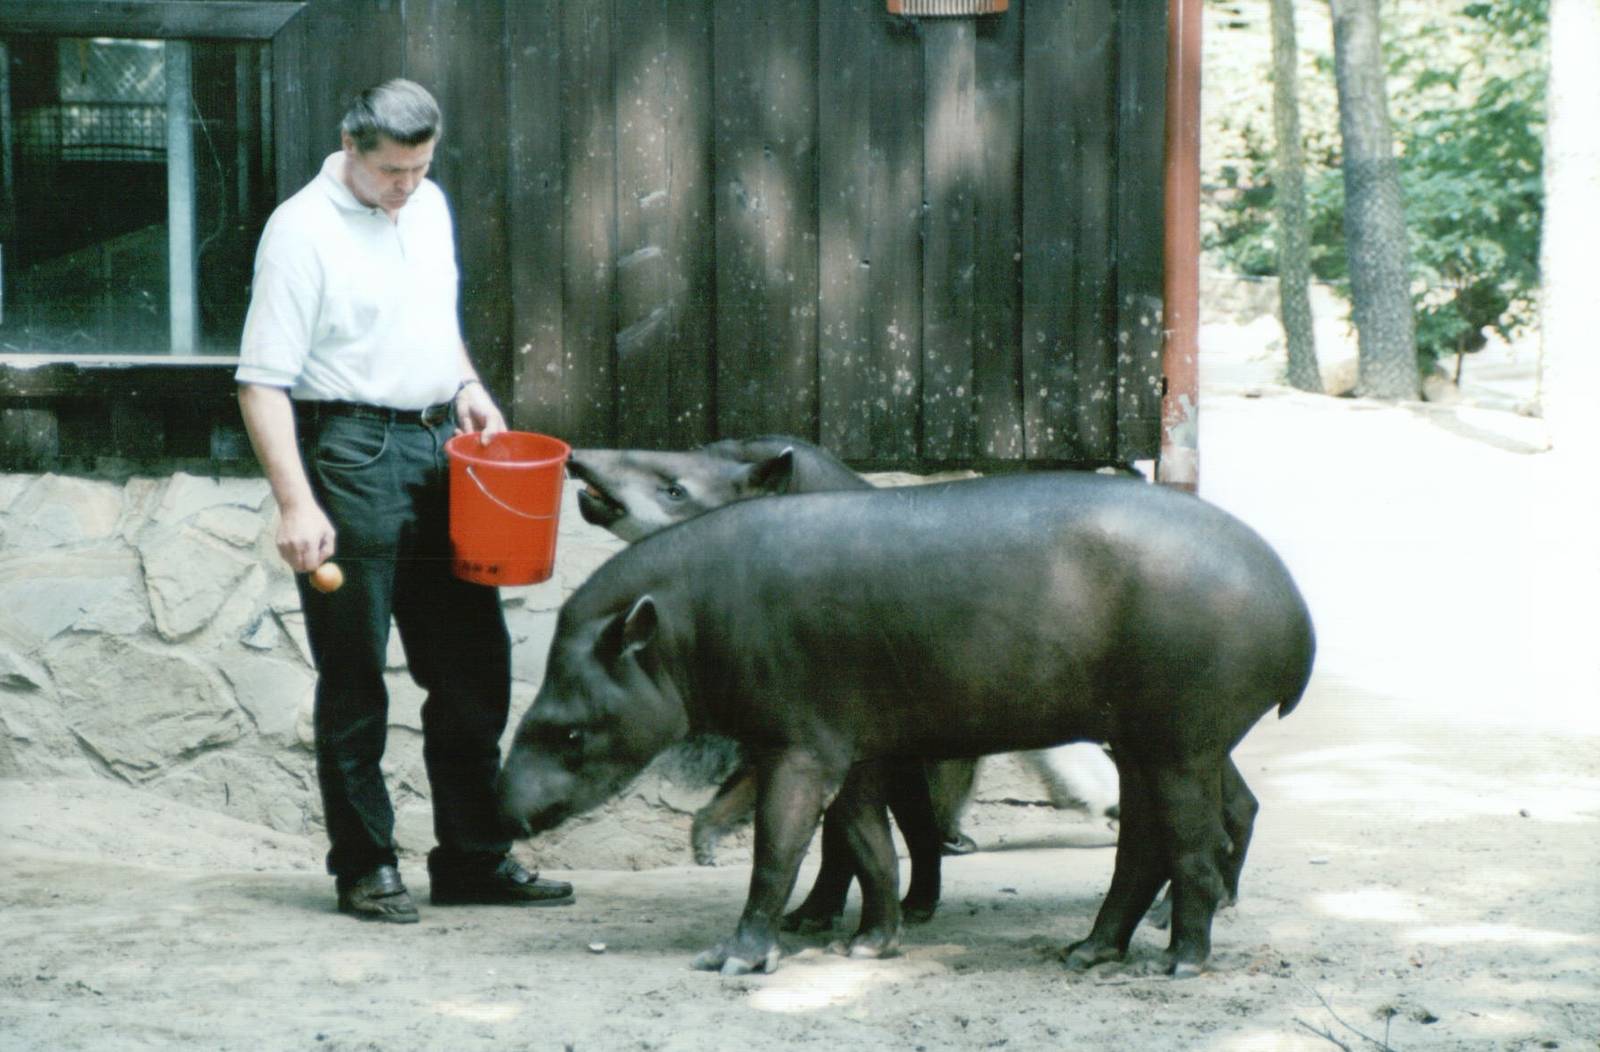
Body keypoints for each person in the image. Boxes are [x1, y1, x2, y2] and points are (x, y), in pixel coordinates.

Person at [235, 79, 572, 923]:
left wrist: (465, 381)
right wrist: (296, 505)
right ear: (351, 148)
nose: (406, 186)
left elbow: (432, 315)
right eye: (392, 171)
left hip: (440, 447)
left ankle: (472, 856)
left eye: (421, 168)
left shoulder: (428, 207)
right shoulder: (299, 232)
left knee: (473, 666)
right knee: (355, 675)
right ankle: (364, 864)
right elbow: (261, 383)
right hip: (350, 453)